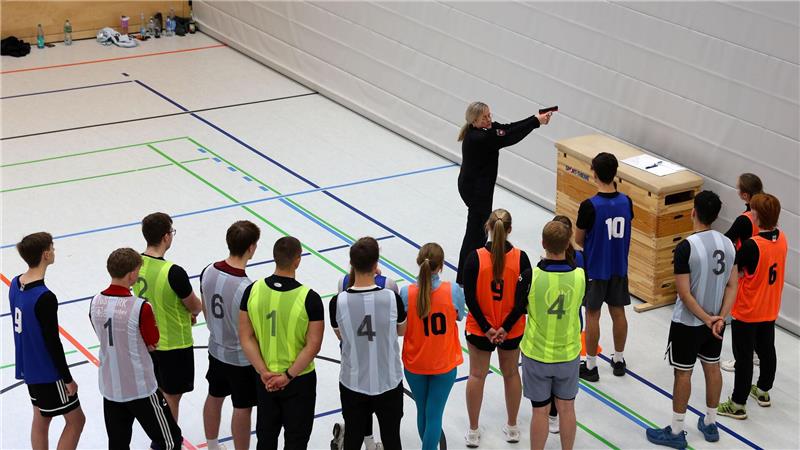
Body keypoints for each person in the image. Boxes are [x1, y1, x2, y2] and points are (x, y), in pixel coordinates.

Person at [644, 191, 737, 448]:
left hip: (689, 323)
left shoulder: (687, 246)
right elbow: (733, 285)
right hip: (715, 325)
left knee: (683, 374)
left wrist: (707, 318)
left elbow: (684, 294)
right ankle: (710, 422)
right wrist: (720, 318)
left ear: (693, 212)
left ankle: (675, 431)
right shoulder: (728, 244)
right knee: (712, 367)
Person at [90, 248, 183, 449]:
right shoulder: (141, 307)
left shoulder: (95, 301)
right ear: (132, 274)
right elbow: (153, 342)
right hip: (140, 387)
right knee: (170, 440)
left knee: (118, 443)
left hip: (111, 387)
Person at [239, 236, 324, 450]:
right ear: (298, 260)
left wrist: (263, 371)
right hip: (299, 380)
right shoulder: (309, 298)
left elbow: (245, 336)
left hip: (265, 379)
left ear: (274, 258)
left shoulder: (252, 290)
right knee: (296, 441)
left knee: (266, 438)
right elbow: (313, 345)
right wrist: (287, 376)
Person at [508, 221, 585, 450]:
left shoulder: (531, 276)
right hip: (568, 353)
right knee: (567, 408)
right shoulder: (580, 276)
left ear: (543, 243)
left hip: (537, 354)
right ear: (568, 244)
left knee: (539, 411)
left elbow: (519, 308)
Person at [456, 101, 553, 284]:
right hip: (476, 191)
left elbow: (508, 128)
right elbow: (509, 137)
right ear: (474, 121)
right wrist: (535, 122)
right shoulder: (480, 138)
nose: (489, 119)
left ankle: (466, 273)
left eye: (489, 115)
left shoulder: (485, 130)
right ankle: (467, 275)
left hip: (476, 186)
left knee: (476, 229)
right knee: (476, 232)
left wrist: (536, 120)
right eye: (484, 117)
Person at [463, 208, 532, 447]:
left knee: (476, 375)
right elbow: (523, 300)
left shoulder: (475, 258)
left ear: (487, 227)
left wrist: (486, 328)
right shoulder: (521, 259)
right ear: (509, 229)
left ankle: (473, 431)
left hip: (480, 329)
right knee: (511, 374)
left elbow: (470, 298)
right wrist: (505, 326)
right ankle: (512, 427)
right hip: (510, 330)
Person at [9, 232, 85, 450]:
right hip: (48, 373)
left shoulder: (15, 284)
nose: (54, 251)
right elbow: (53, 343)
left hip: (28, 368)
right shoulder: (45, 297)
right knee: (76, 420)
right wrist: (67, 378)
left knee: (41, 418)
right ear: (45, 254)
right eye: (52, 247)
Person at [330, 237, 407, 450]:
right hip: (388, 381)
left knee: (353, 438)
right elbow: (401, 330)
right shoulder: (392, 298)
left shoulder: (338, 301)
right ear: (376, 265)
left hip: (353, 382)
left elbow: (341, 336)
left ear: (352, 265)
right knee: (392, 438)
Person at [718, 193, 787, 420]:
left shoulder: (751, 246)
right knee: (767, 350)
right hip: (770, 307)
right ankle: (764, 391)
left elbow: (735, 274)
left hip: (748, 311)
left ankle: (738, 403)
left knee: (744, 357)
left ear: (757, 215)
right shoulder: (783, 239)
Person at [132, 212, 202, 424]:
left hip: (147, 341)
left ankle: (161, 436)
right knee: (172, 396)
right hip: (173, 343)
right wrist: (190, 313)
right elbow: (195, 306)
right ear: (165, 237)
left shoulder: (135, 264)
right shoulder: (173, 272)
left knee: (159, 391)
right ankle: (168, 440)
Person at [201, 221, 261, 450]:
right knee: (242, 407)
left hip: (215, 349)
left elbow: (206, 308)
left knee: (214, 395)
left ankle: (213, 446)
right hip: (240, 358)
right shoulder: (248, 287)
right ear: (251, 248)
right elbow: (251, 330)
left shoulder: (208, 271)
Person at [574, 152, 634, 381]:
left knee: (592, 314)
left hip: (596, 268)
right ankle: (618, 360)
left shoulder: (590, 205)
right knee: (618, 312)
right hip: (619, 265)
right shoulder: (626, 201)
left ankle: (590, 366)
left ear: (594, 172)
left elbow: (579, 239)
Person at [401, 243, 467, 450]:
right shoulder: (453, 290)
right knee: (435, 414)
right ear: (441, 266)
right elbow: (459, 316)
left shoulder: (406, 292)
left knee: (423, 411)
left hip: (415, 363)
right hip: (443, 363)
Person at [546, 215, 585, 435]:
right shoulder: (580, 260)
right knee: (565, 372)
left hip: (550, 324)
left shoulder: (543, 266)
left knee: (549, 371)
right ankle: (560, 411)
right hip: (572, 323)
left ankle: (552, 413)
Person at [721, 173, 764, 372]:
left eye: (738, 189)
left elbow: (727, 239)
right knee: (759, 316)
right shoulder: (765, 212)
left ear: (745, 195)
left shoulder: (744, 220)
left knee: (741, 320)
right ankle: (756, 353)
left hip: (745, 274)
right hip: (762, 272)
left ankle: (742, 360)